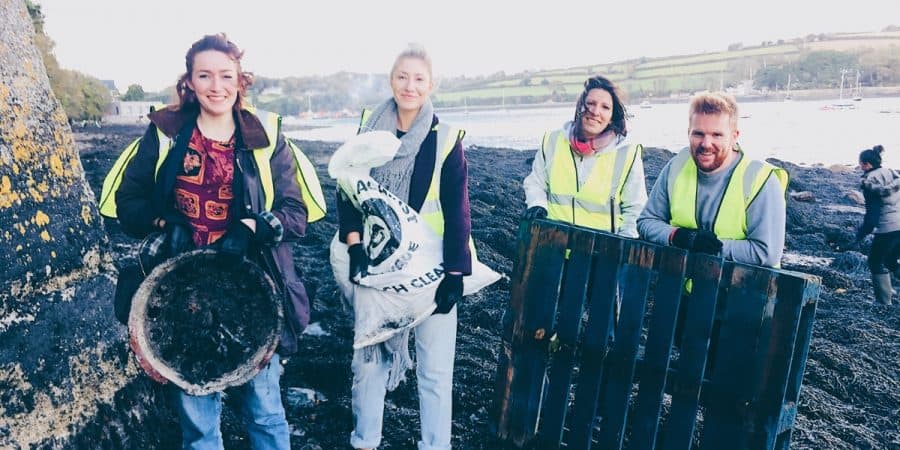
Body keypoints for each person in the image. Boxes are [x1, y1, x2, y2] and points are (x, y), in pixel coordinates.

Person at [114, 33, 309, 449]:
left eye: (226, 75)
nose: (216, 86)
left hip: (252, 289)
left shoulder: (266, 136)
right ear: (190, 81)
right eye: (205, 75)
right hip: (180, 296)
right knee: (199, 424)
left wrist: (252, 228)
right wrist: (164, 220)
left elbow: (296, 214)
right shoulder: (164, 132)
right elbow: (126, 202)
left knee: (265, 412)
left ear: (241, 80)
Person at [336, 43, 470, 450]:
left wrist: (454, 275)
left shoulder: (445, 138)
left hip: (430, 271)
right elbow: (347, 190)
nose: (409, 86)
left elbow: (457, 210)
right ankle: (365, 442)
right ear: (391, 80)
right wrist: (355, 247)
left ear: (431, 85)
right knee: (370, 363)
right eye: (402, 77)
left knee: (434, 372)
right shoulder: (368, 125)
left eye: (418, 79)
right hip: (378, 265)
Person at [637, 91, 788, 268]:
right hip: (683, 291)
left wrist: (710, 248)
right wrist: (677, 236)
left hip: (740, 292)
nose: (706, 144)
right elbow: (646, 221)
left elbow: (766, 253)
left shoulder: (761, 179)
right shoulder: (676, 166)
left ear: (734, 136)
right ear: (688, 133)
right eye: (698, 134)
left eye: (717, 135)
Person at [522, 75, 647, 237]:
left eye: (605, 107)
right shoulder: (552, 141)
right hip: (553, 243)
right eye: (591, 103)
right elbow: (535, 182)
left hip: (601, 252)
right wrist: (537, 204)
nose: (596, 112)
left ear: (611, 117)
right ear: (580, 106)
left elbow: (636, 208)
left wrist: (624, 244)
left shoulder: (627, 153)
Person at [855, 145, 899, 305]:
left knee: (875, 261)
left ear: (866, 164)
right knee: (891, 261)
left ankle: (883, 302)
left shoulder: (870, 182)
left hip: (888, 227)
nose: (860, 166)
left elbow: (872, 215)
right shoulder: (892, 174)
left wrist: (860, 235)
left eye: (860, 163)